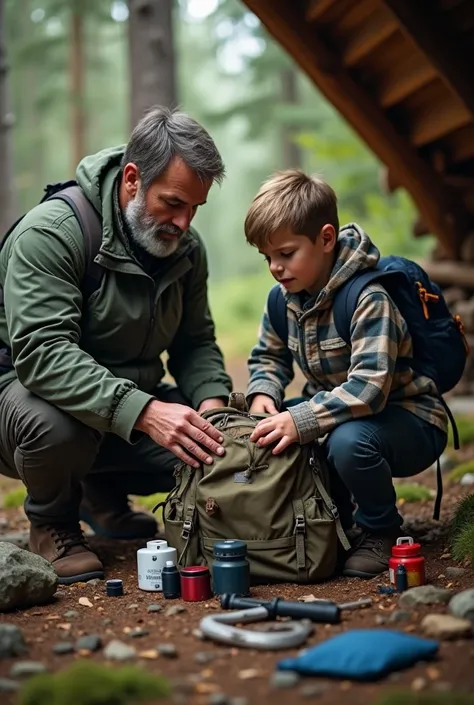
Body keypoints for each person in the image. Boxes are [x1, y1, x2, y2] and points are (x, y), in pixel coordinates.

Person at [0, 106, 232, 584]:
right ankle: (52, 522)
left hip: (122, 405)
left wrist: (213, 408)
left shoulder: (186, 250)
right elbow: (43, 356)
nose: (184, 223)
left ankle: (99, 495)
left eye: (195, 209)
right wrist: (147, 413)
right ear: (132, 179)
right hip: (24, 399)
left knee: (218, 451)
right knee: (58, 426)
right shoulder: (53, 233)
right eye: (172, 203)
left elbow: (195, 343)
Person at [244, 170, 448, 578]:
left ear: (325, 238)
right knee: (277, 428)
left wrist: (301, 419)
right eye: (267, 258)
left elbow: (370, 389)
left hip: (408, 420)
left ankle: (381, 531)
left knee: (345, 439)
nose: (275, 268)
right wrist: (264, 393)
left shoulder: (368, 298)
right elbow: (269, 355)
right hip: (339, 411)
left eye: (286, 253)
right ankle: (332, 521)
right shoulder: (281, 299)